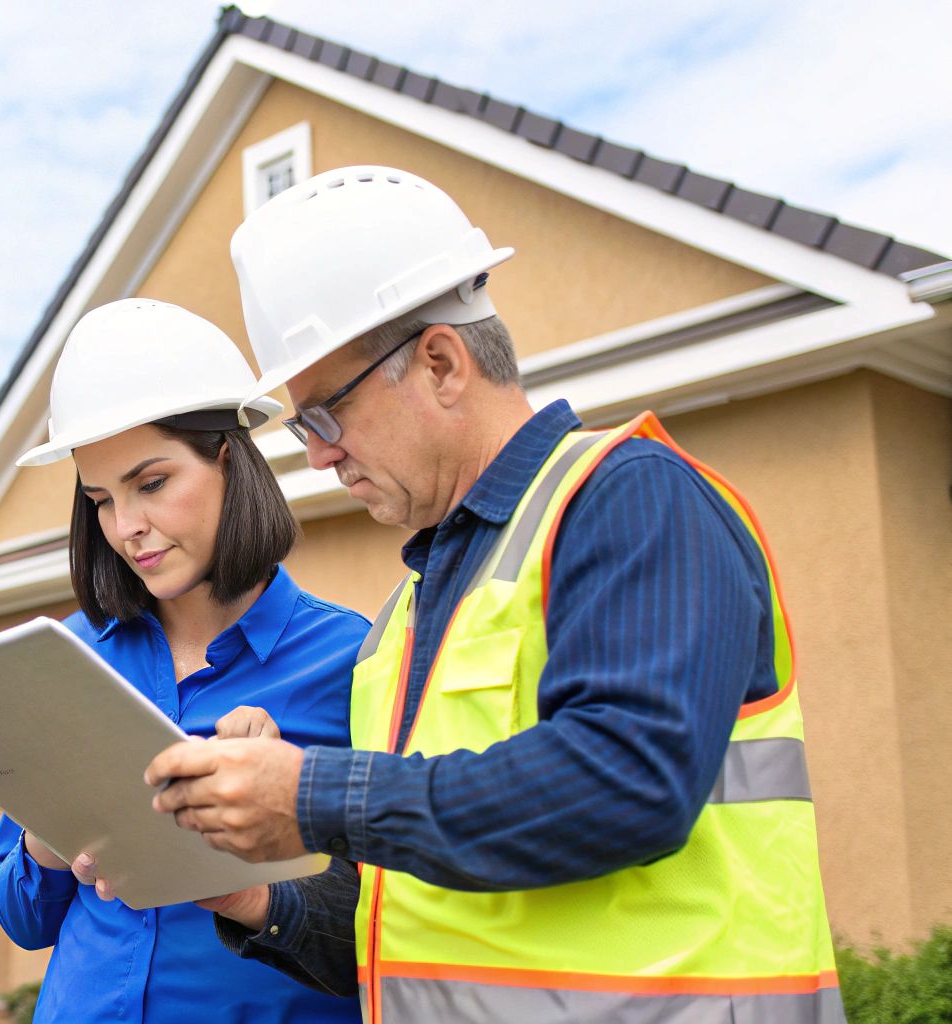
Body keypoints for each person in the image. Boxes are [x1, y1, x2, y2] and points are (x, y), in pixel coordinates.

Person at [142, 167, 843, 1023]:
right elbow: (399, 935)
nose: (318, 458)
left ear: (440, 362)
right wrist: (250, 893)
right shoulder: (404, 621)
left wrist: (310, 794)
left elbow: (630, 781)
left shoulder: (629, 497)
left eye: (322, 416)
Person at [0, 298, 369, 1023]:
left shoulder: (353, 659)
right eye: (100, 499)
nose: (127, 528)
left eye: (151, 483)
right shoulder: (66, 657)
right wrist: (50, 836)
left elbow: (379, 926)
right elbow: (22, 918)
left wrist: (270, 824)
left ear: (229, 459)